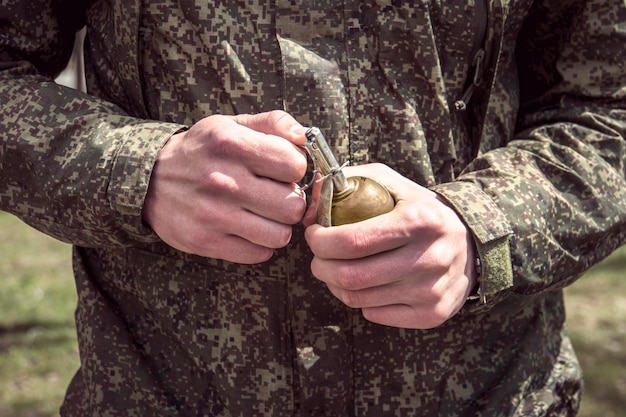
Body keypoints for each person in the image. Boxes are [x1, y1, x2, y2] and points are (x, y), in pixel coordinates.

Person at [1, 0, 625, 415]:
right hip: (156, 391)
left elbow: (608, 109)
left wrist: (483, 227)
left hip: (487, 395)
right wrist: (135, 168)